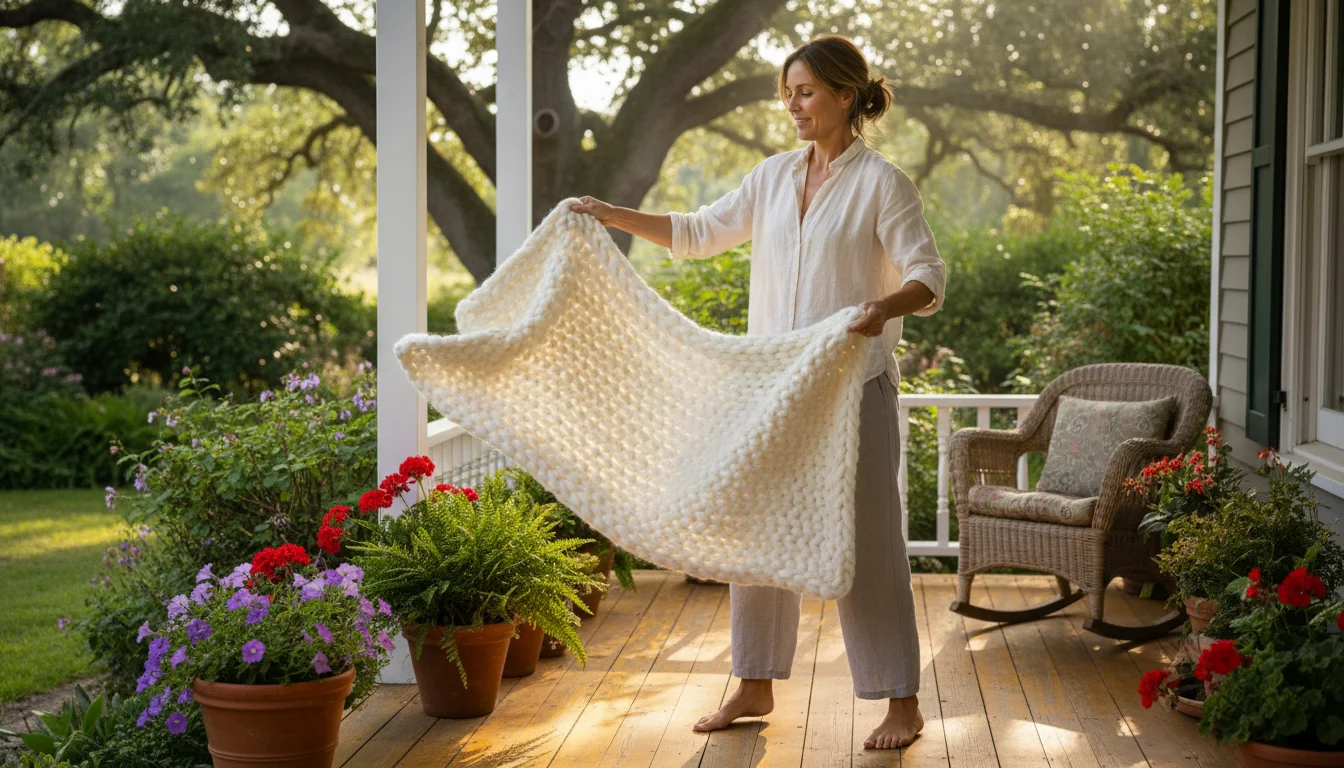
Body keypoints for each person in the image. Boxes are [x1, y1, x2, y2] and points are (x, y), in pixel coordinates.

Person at [568, 34, 945, 750]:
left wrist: (881, 309)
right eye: (788, 93)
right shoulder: (772, 177)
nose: (794, 105)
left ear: (844, 95)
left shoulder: (882, 183)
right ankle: (754, 683)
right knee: (757, 532)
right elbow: (699, 232)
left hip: (853, 389)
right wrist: (613, 215)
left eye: (805, 92)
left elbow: (927, 277)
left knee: (869, 542)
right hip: (771, 390)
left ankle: (901, 699)